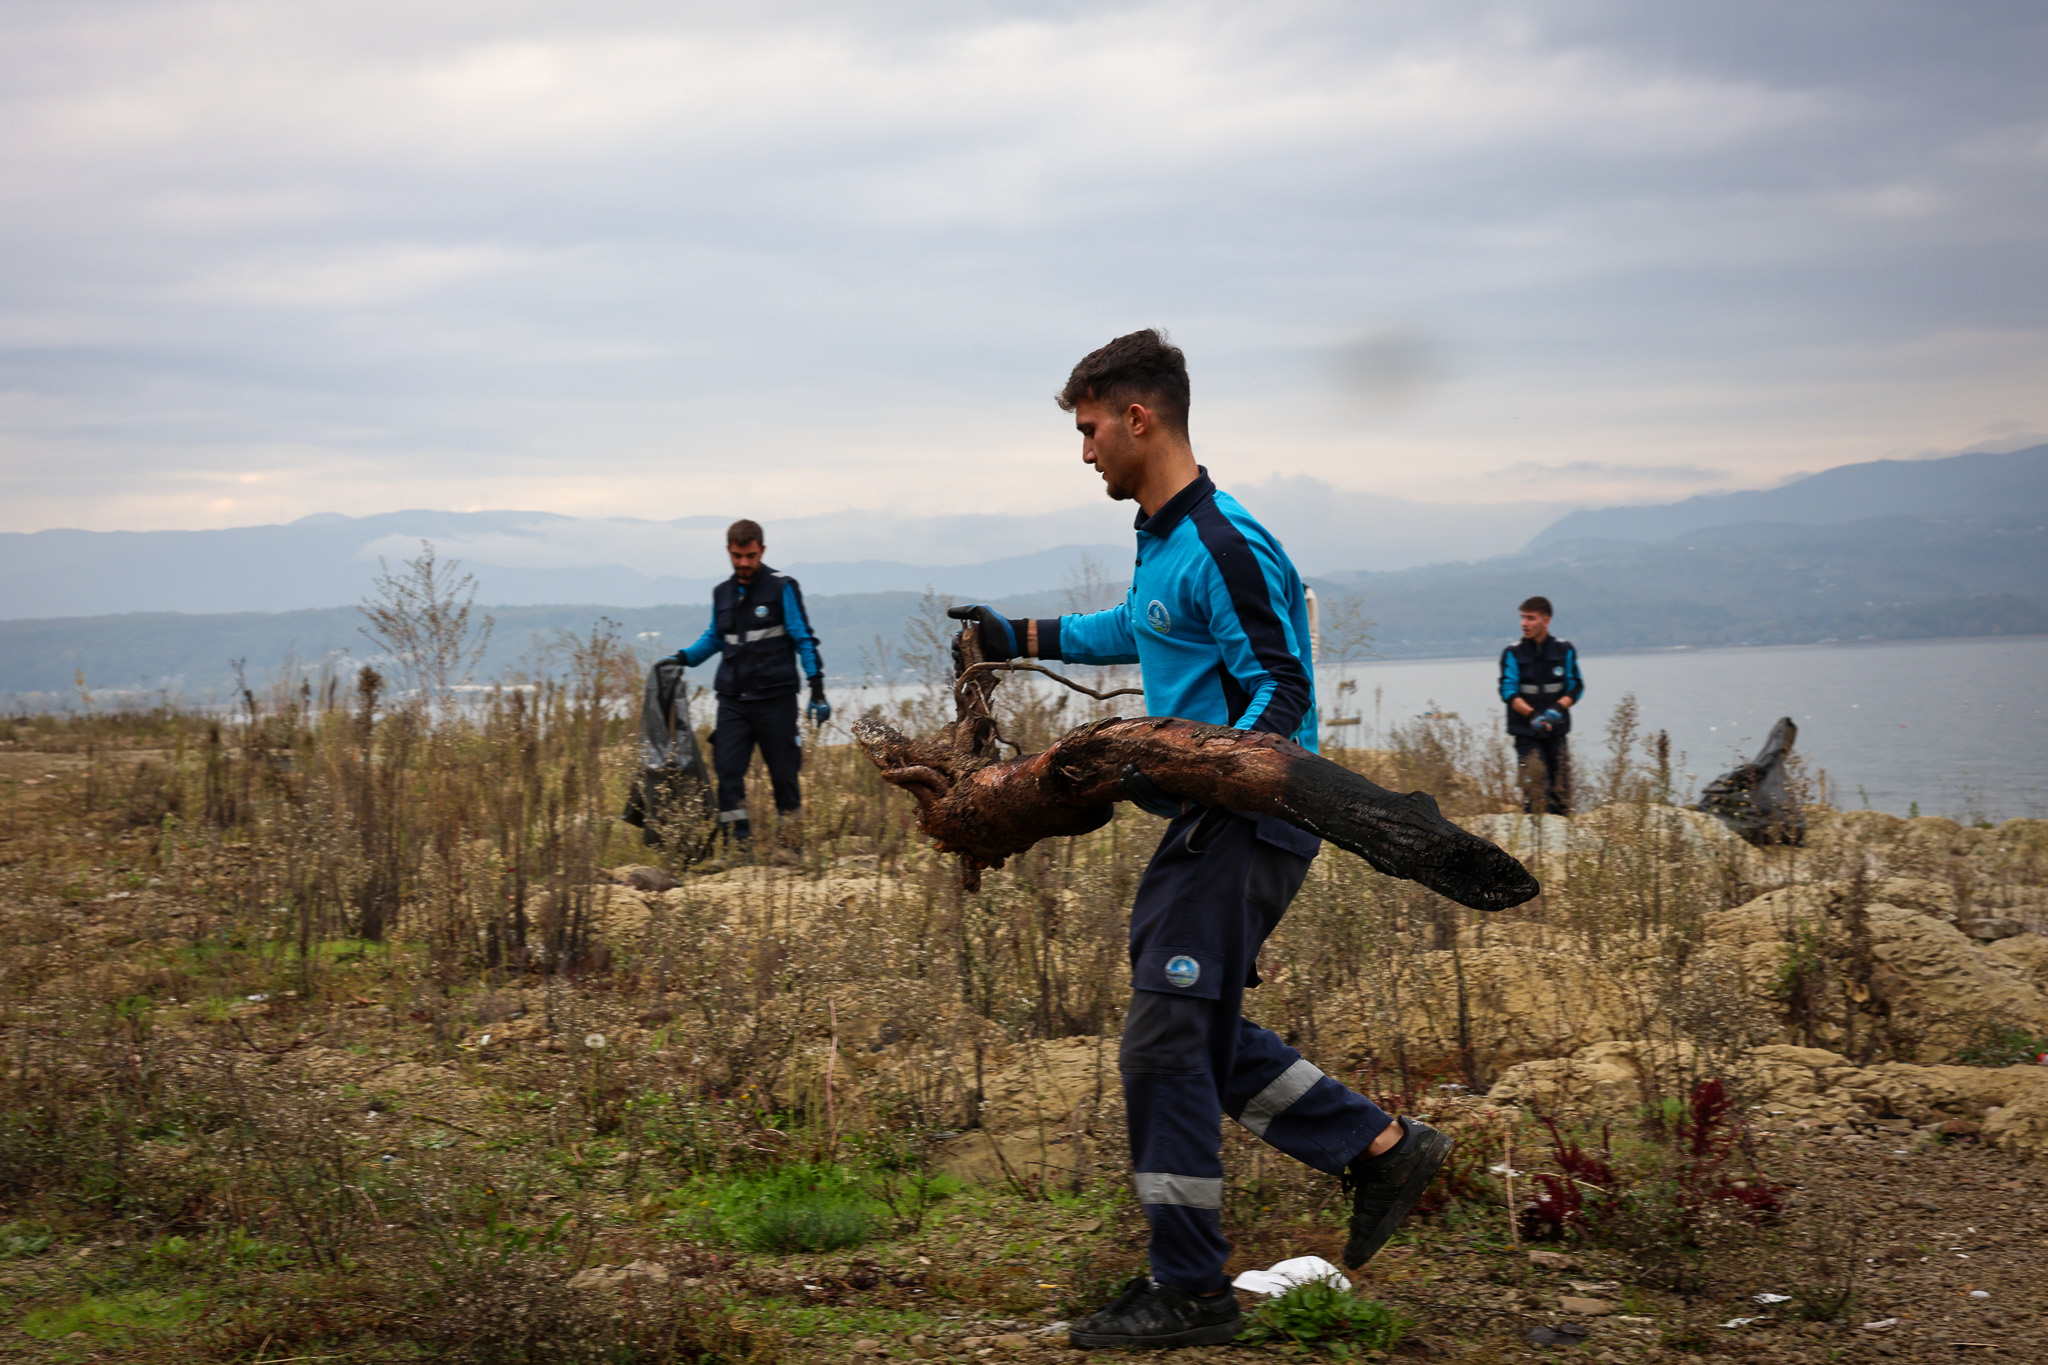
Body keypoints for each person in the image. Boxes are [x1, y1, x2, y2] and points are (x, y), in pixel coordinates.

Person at [947, 330, 1451, 1351]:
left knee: (1162, 1041)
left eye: (1088, 429)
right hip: (1205, 821)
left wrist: (1208, 780)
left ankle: (1188, 1288)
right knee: (1195, 1025)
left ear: (1139, 417)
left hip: (1242, 819)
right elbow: (1136, 628)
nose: (1082, 450)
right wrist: (1015, 639)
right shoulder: (1164, 543)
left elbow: (1282, 693)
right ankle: (1379, 1148)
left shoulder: (1224, 541)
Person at [675, 519, 829, 864]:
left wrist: (817, 688)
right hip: (733, 701)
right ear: (728, 553)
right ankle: (737, 849)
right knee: (727, 772)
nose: (743, 563)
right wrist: (682, 659)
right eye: (736, 556)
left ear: (762, 550)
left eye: (749, 555)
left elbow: (803, 638)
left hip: (776, 699)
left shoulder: (782, 588)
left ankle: (790, 847)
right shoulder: (723, 593)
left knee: (784, 774)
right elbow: (715, 637)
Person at [1498, 596, 1584, 815]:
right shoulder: (1513, 653)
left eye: (1530, 618)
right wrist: (1533, 714)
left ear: (1546, 621)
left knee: (1560, 793)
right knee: (1535, 789)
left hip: (1556, 732)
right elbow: (1508, 689)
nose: (1524, 623)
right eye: (1522, 618)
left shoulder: (1564, 650)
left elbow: (1575, 686)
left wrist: (1556, 710)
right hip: (1526, 733)